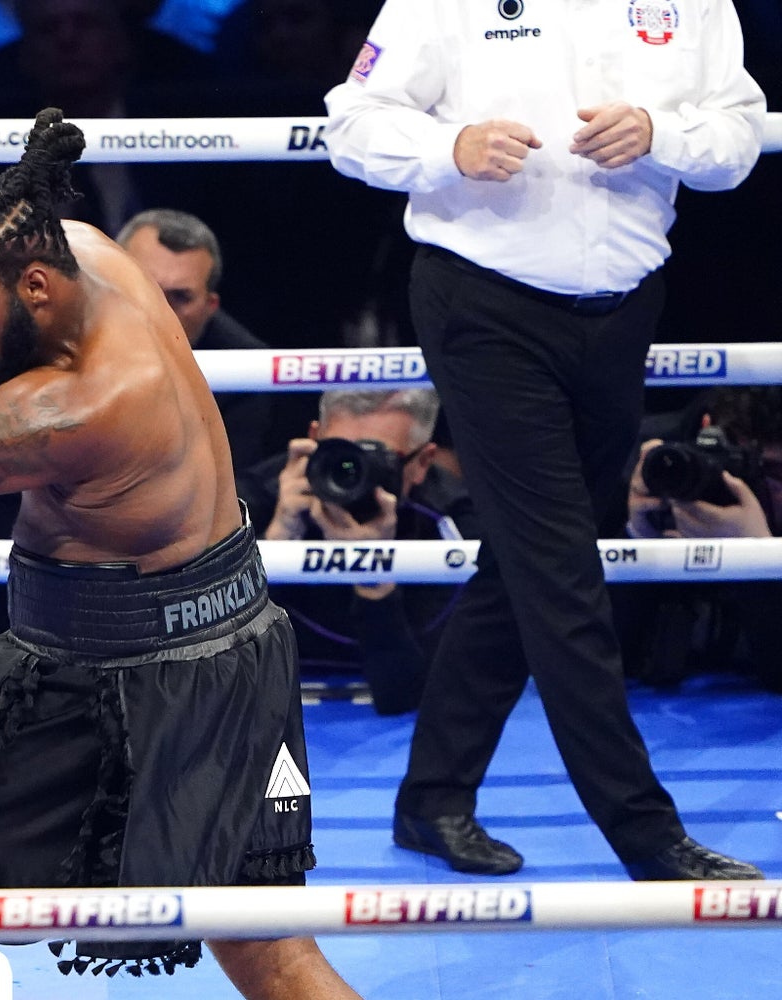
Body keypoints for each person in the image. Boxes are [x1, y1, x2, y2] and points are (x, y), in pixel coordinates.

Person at [0, 109, 357, 997]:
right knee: (264, 945)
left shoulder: (83, 409)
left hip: (105, 668)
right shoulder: (80, 248)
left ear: (31, 287)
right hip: (223, 638)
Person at [324, 0, 766, 880]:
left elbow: (739, 138)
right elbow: (350, 125)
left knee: (524, 566)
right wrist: (446, 149)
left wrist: (660, 132)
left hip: (624, 308)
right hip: (484, 306)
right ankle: (644, 831)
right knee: (562, 576)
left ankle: (433, 801)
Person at [243, 388, 476, 715]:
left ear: (422, 462)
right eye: (339, 452)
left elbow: (406, 694)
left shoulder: (456, 527)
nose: (353, 471)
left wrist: (375, 578)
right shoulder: (252, 503)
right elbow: (223, 678)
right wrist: (274, 544)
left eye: (378, 457)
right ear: (313, 438)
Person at [616, 386, 782, 693]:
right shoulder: (653, 467)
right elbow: (586, 655)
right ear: (707, 427)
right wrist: (636, 541)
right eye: (741, 462)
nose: (756, 482)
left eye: (775, 471)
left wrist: (759, 561)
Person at [114, 208, 273, 472]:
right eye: (144, 287)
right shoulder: (56, 334)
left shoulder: (244, 370)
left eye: (180, 297)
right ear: (108, 281)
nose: (159, 309)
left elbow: (236, 488)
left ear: (210, 306)